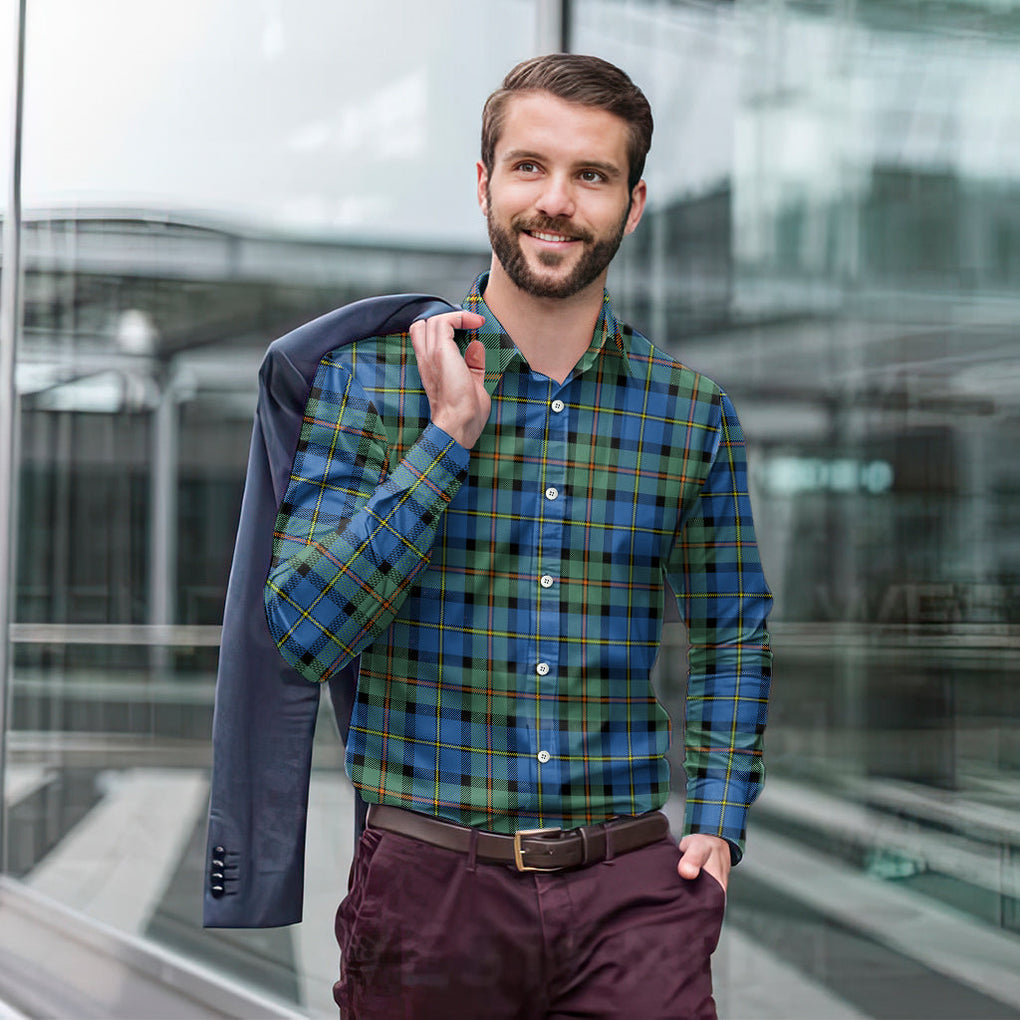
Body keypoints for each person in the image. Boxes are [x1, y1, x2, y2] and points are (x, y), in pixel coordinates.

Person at [263, 53, 773, 1019]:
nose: (557, 201)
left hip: (633, 896)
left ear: (634, 201)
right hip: (430, 892)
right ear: (486, 182)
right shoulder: (370, 387)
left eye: (593, 175)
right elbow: (302, 630)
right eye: (531, 167)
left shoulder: (689, 414)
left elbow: (732, 629)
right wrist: (447, 438)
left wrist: (716, 818)